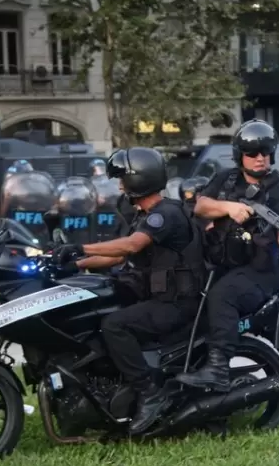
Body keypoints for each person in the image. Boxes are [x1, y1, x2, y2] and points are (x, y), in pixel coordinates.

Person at [60, 148, 206, 434]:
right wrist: (73, 264)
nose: (119, 185)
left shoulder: (165, 214)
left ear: (140, 179)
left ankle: (150, 392)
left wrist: (80, 247)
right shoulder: (146, 215)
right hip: (157, 298)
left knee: (114, 325)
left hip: (176, 304)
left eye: (123, 179)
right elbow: (117, 257)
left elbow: (131, 246)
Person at [175, 120, 279, 391]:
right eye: (253, 153)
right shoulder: (227, 179)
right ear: (239, 155)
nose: (260, 158)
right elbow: (201, 206)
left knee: (223, 295)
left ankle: (218, 370)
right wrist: (229, 207)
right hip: (226, 263)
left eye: (265, 152)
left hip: (262, 272)